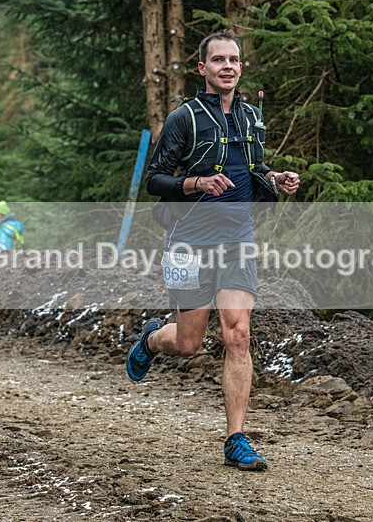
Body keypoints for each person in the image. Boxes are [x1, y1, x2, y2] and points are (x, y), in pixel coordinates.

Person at [126, 29, 300, 471]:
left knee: (237, 334)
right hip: (189, 241)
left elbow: (253, 166)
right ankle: (151, 338)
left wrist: (275, 178)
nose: (228, 66)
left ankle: (236, 439)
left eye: (234, 60)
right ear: (202, 68)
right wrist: (196, 182)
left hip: (237, 239)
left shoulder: (251, 117)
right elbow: (155, 180)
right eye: (218, 60)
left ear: (241, 67)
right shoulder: (184, 118)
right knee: (188, 344)